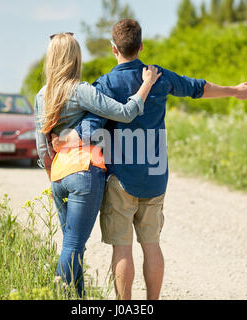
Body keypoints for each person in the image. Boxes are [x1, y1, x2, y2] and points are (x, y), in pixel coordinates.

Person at [53, 19, 247, 300]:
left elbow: (91, 128)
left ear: (113, 49)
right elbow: (197, 87)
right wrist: (234, 90)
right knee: (151, 244)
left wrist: (63, 140)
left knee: (122, 248)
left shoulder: (106, 84)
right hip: (156, 177)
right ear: (141, 46)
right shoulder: (158, 76)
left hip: (121, 179)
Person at [34, 32, 161, 298]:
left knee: (72, 243)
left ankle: (78, 298)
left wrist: (53, 176)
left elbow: (43, 148)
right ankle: (61, 295)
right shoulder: (81, 91)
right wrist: (146, 83)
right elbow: (126, 113)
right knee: (73, 245)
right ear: (75, 58)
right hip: (84, 172)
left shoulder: (41, 95)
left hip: (58, 176)